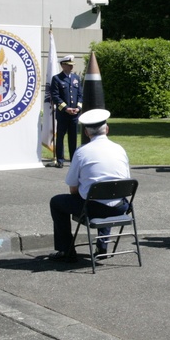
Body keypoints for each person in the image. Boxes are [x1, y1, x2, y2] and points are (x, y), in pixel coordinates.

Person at [48, 109, 130, 262]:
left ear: (86, 132)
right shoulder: (120, 149)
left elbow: (72, 188)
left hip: (93, 207)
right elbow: (125, 180)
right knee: (106, 195)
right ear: (107, 129)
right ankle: (103, 246)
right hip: (121, 207)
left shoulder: (82, 152)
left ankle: (66, 250)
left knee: (57, 202)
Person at [50, 55, 83, 168]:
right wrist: (66, 108)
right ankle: (60, 159)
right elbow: (55, 96)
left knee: (73, 138)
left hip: (74, 114)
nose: (71, 67)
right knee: (60, 137)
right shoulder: (57, 78)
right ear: (63, 65)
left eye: (72, 65)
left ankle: (73, 160)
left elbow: (80, 95)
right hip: (63, 114)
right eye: (69, 65)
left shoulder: (76, 78)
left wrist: (78, 107)